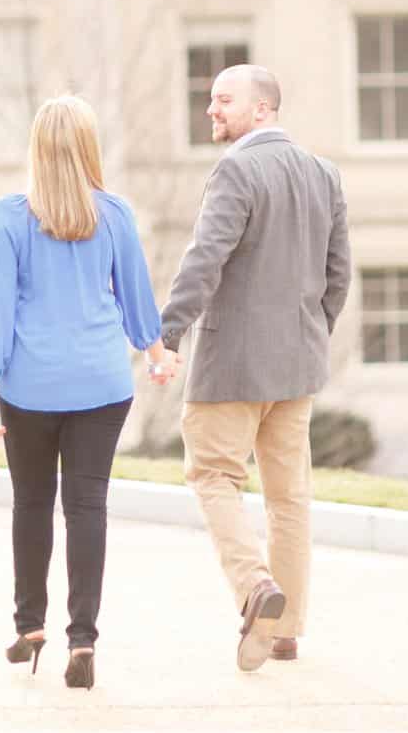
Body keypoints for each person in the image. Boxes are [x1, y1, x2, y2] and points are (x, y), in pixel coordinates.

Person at [0, 93, 173, 691]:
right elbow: (136, 295)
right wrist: (156, 353)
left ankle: (29, 625)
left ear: (35, 149)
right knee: (87, 507)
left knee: (31, 503)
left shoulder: (7, 216)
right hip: (102, 383)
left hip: (30, 386)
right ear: (89, 149)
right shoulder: (114, 214)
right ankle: (82, 639)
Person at [160, 64, 351, 672]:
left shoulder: (237, 169)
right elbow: (338, 273)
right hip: (298, 364)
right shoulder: (325, 174)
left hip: (234, 363)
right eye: (211, 99)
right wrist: (312, 332)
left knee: (213, 477)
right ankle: (287, 630)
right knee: (288, 497)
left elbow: (204, 259)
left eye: (224, 100)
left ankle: (254, 587)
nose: (212, 110)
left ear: (262, 109)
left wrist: (167, 332)